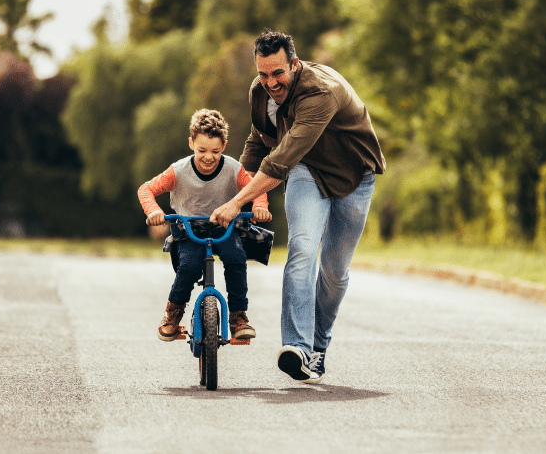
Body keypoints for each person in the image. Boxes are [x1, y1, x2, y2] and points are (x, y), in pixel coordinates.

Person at [211, 30, 386, 384]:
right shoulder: (259, 91)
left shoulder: (319, 92)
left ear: (294, 63)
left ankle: (318, 348)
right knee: (302, 250)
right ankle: (298, 348)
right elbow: (258, 141)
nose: (270, 82)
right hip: (308, 170)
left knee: (335, 270)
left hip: (355, 175)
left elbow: (279, 163)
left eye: (278, 73)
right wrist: (230, 188)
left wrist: (236, 203)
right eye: (263, 74)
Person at [138, 108, 272, 343]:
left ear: (225, 146)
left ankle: (238, 317)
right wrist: (154, 211)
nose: (208, 156)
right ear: (191, 143)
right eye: (202, 150)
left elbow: (255, 188)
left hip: (224, 226)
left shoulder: (233, 168)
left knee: (236, 257)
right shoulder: (178, 171)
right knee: (189, 267)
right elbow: (146, 189)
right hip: (189, 230)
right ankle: (172, 315)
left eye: (215, 151)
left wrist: (260, 206)